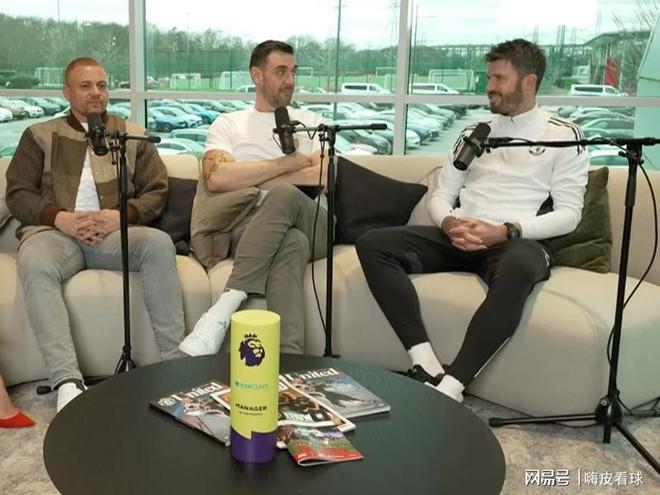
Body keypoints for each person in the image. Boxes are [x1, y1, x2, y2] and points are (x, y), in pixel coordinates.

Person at [356, 39, 589, 402]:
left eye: (499, 78)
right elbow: (441, 195)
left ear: (529, 82)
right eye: (489, 77)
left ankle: (452, 386)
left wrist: (507, 230)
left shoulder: (562, 135)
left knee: (520, 267)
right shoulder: (475, 133)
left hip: (513, 242)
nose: (490, 86)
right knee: (374, 244)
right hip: (461, 234)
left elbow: (570, 214)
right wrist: (449, 224)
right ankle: (425, 362)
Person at [5, 57, 185, 413]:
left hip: (112, 234)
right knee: (34, 261)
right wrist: (60, 218)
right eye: (85, 86)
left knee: (159, 244)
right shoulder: (39, 135)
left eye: (102, 85)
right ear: (66, 92)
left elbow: (156, 191)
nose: (96, 93)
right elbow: (17, 193)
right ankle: (67, 382)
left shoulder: (130, 134)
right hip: (55, 234)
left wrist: (118, 217)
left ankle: (177, 368)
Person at [179, 40, 328, 356]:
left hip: (315, 221)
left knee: (285, 195)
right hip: (250, 227)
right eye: (281, 72)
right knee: (292, 242)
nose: (290, 80)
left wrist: (256, 177)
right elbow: (217, 177)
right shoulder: (229, 124)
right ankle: (289, 360)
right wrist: (286, 164)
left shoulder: (312, 121)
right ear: (257, 76)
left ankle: (224, 307)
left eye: (293, 72)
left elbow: (325, 178)